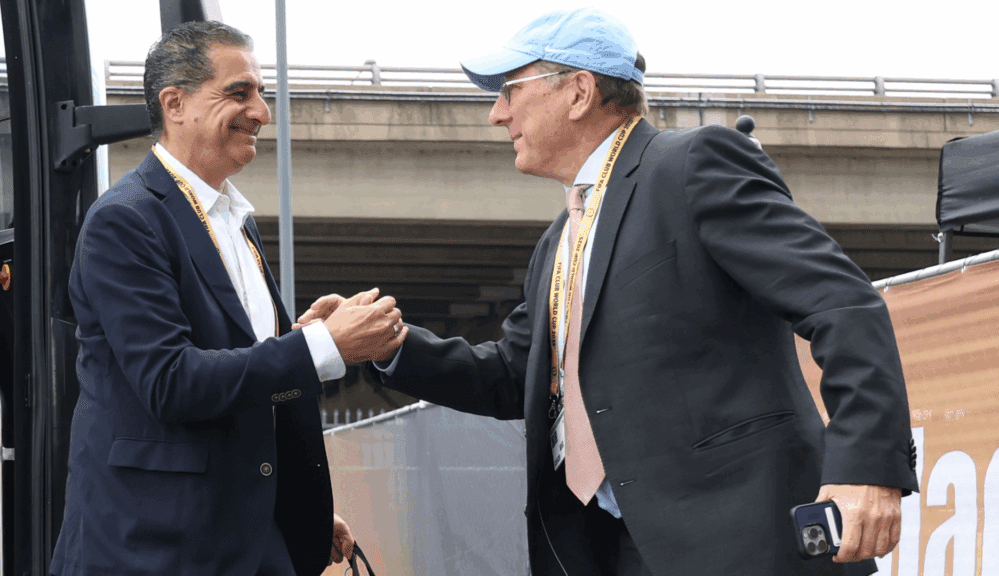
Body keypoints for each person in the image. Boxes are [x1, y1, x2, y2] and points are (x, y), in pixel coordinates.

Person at [364, 7, 918, 575]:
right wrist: (390, 347)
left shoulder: (694, 165)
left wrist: (868, 465)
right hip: (606, 546)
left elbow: (842, 303)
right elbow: (515, 373)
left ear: (578, 91)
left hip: (739, 544)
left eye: (509, 90)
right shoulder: (561, 239)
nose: (496, 113)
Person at [49, 21, 406, 576]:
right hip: (155, 551)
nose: (262, 111)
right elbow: (171, 382)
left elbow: (242, 376)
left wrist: (294, 507)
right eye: (240, 93)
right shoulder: (123, 221)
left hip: (242, 538)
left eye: (260, 93)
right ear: (175, 104)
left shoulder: (235, 222)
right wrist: (318, 346)